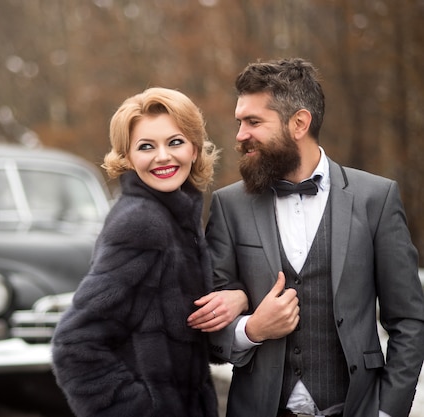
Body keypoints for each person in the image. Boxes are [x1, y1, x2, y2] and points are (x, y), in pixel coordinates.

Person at [187, 58, 424, 417]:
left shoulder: (376, 199)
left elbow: (408, 320)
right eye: (240, 122)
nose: (239, 134)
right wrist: (251, 329)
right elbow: (209, 329)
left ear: (299, 123)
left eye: (253, 122)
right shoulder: (228, 205)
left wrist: (388, 411)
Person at [51, 87, 248, 417]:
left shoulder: (175, 215)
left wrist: (238, 297)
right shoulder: (142, 223)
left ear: (195, 149)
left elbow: (187, 328)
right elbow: (74, 345)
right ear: (127, 158)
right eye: (146, 147)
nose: (163, 156)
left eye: (175, 142)